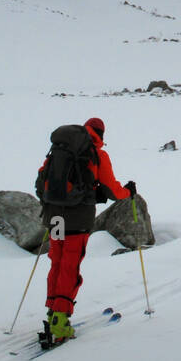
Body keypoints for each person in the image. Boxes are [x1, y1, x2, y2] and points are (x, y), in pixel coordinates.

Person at [35, 117, 135, 346]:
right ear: (101, 134)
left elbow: (42, 180)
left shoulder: (59, 150)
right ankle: (60, 322)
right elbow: (111, 189)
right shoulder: (96, 154)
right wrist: (127, 193)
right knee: (70, 266)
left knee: (57, 262)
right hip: (77, 220)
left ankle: (53, 314)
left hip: (55, 217)